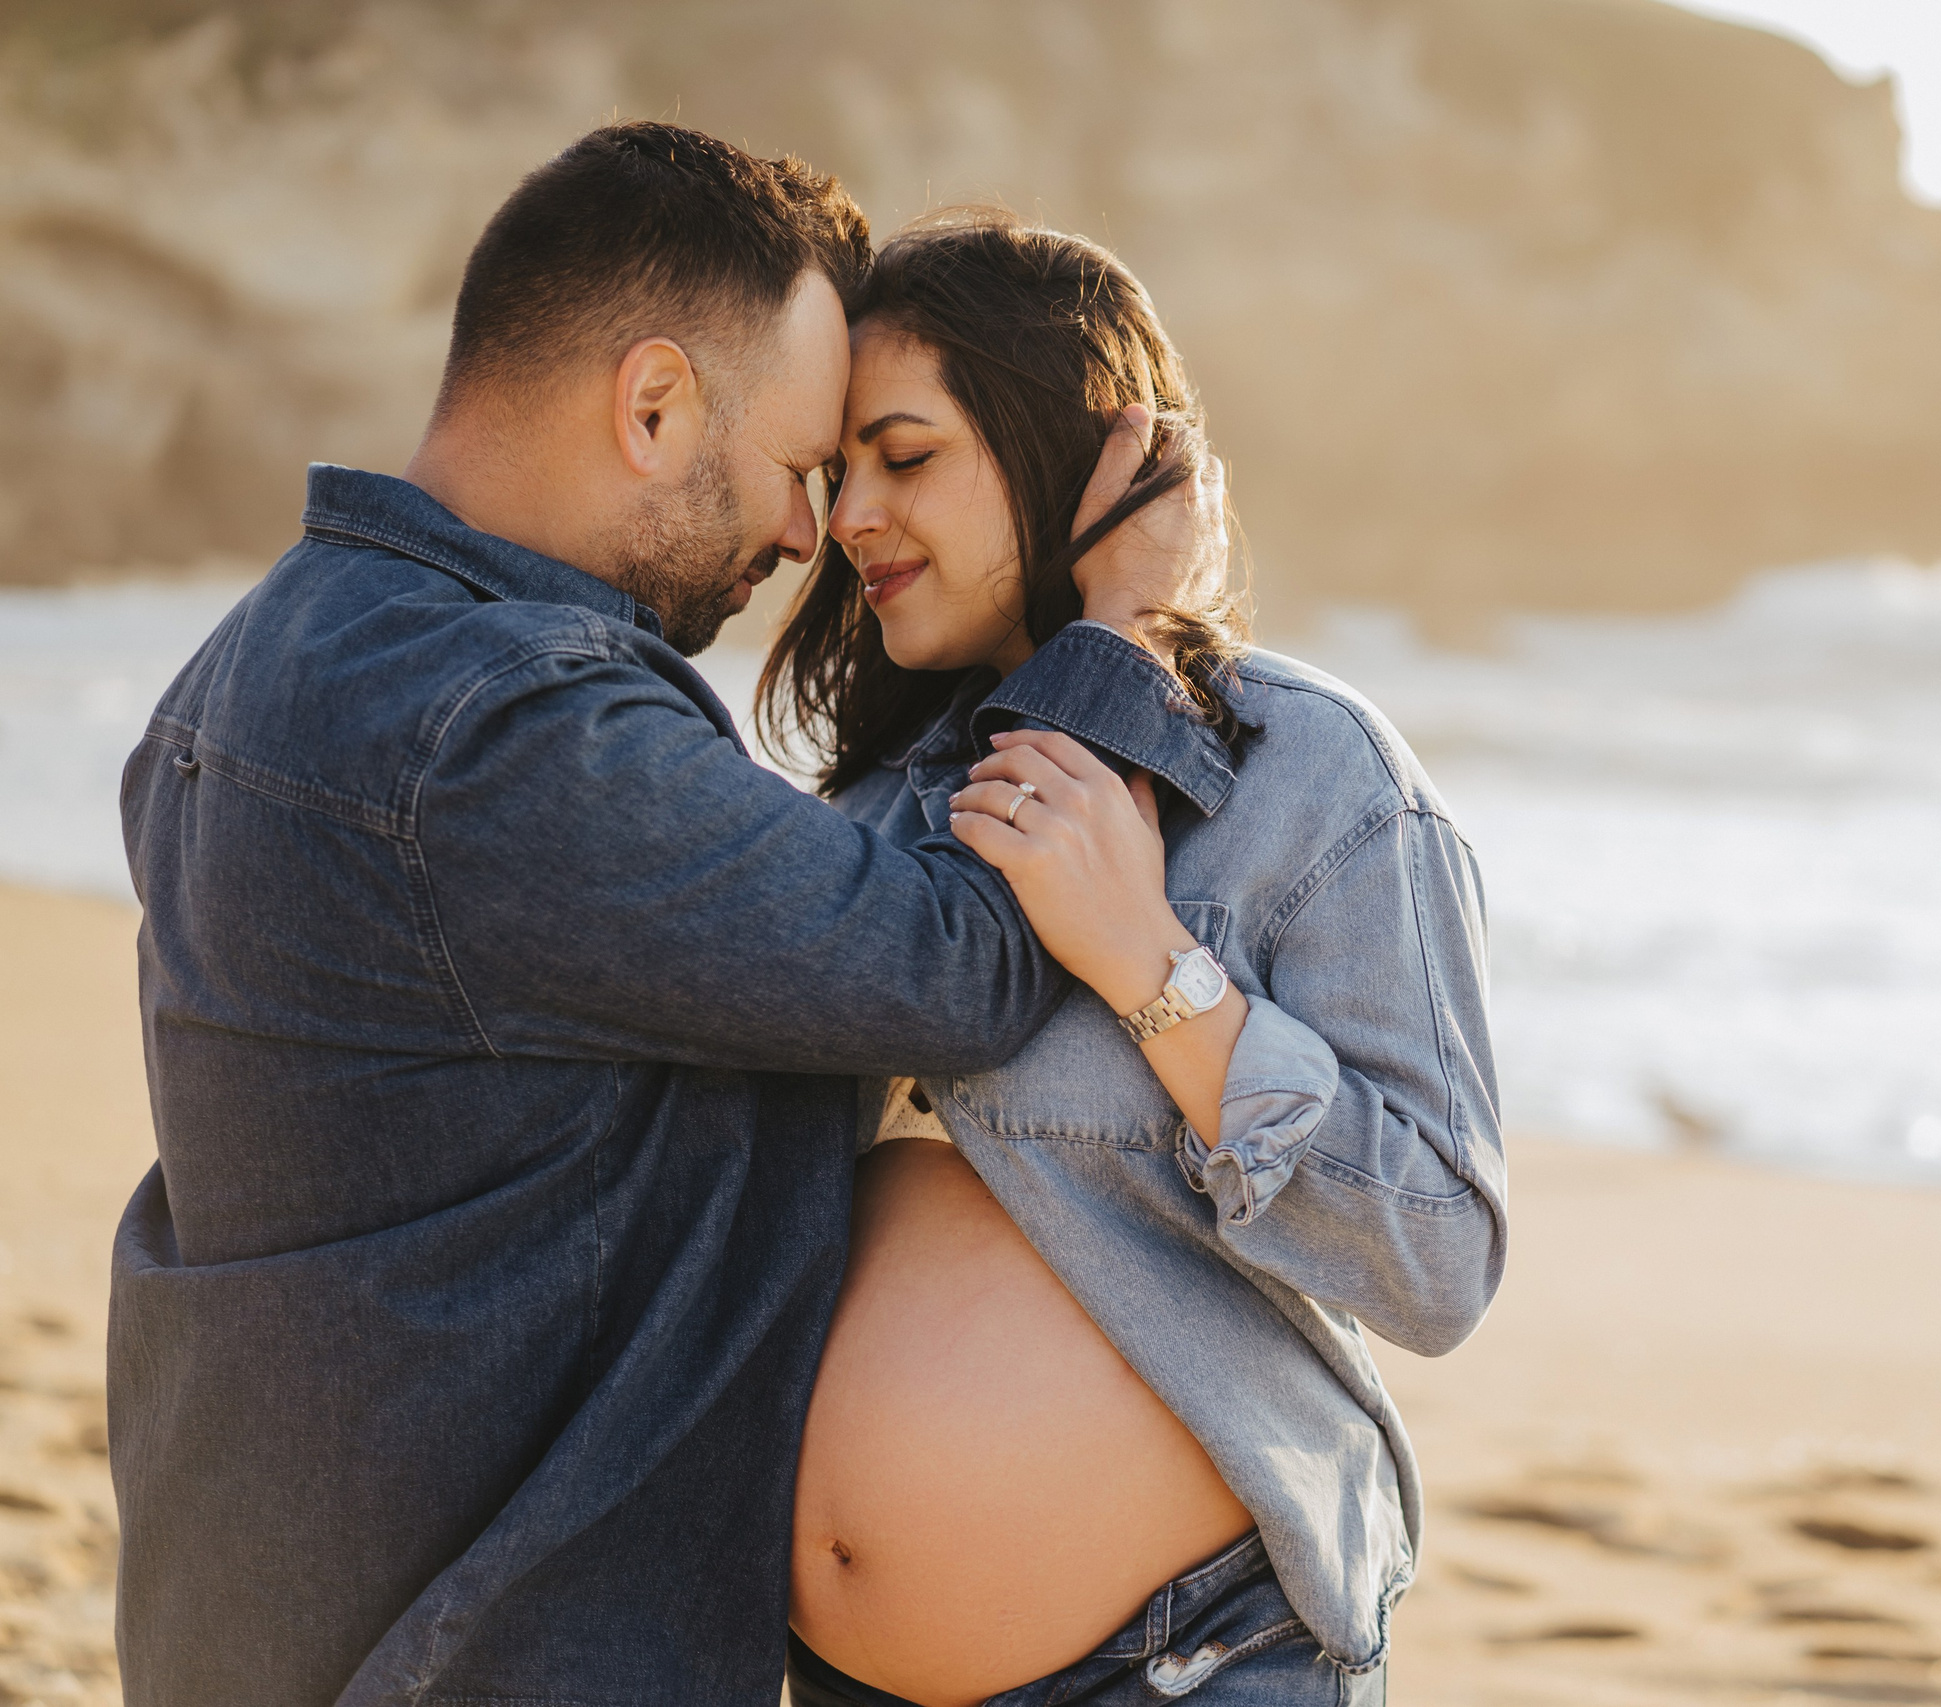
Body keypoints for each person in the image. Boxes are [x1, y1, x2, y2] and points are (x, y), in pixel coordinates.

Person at [110, 125, 1222, 1707]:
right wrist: (1121, 629)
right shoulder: (504, 727)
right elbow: (956, 968)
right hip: (482, 1655)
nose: (802, 538)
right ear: (651, 406)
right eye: (797, 471)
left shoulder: (253, 662)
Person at [761, 210, 1508, 1707]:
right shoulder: (869, 804)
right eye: (841, 473)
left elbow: (1440, 1256)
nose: (851, 518)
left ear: (1073, 461)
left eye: (906, 460)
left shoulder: (1310, 774)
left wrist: (1158, 972)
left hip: (1190, 1664)